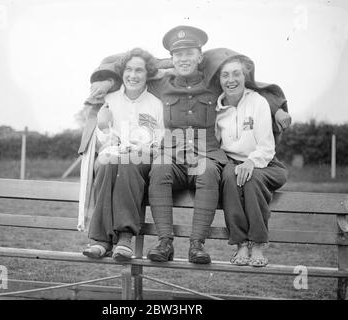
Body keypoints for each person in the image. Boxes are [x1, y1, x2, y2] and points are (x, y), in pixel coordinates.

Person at [86, 25, 291, 265]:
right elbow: (125, 71)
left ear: (200, 57)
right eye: (178, 54)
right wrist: (101, 85)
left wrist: (276, 109)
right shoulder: (160, 84)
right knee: (160, 169)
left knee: (206, 171)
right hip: (172, 152)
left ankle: (197, 245)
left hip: (206, 151)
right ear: (171, 59)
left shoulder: (215, 81)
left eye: (190, 53)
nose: (184, 59)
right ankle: (165, 243)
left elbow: (247, 85)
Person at [80, 48, 164, 261]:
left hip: (142, 159)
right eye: (128, 70)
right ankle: (101, 240)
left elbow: (158, 141)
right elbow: (103, 140)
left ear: (147, 74)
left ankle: (125, 238)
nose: (133, 75)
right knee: (109, 162)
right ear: (122, 72)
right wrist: (103, 125)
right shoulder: (109, 99)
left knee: (128, 162)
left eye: (139, 71)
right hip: (113, 156)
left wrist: (141, 148)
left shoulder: (156, 104)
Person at [215, 53, 288, 267]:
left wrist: (251, 162)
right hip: (232, 164)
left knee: (252, 178)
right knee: (230, 177)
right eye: (225, 75)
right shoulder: (216, 110)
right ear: (219, 80)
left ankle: (257, 244)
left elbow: (266, 145)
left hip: (264, 163)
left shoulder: (258, 102)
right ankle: (240, 245)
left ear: (245, 77)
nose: (231, 80)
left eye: (236, 74)